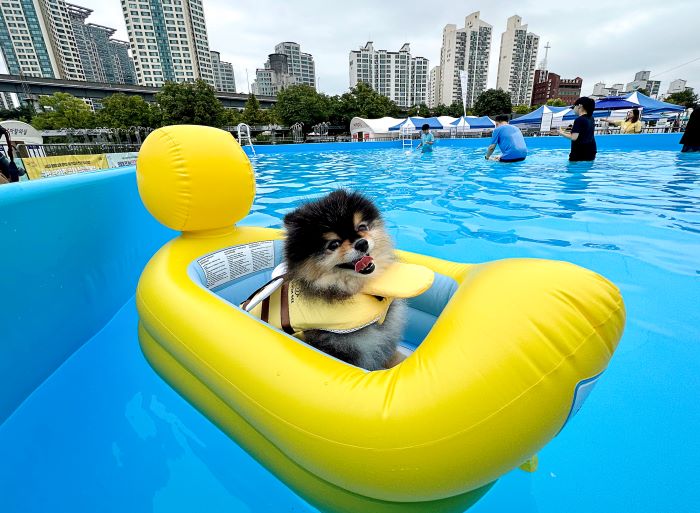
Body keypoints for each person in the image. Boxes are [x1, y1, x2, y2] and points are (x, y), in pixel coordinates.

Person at [559, 97, 597, 162]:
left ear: (580, 106)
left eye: (574, 106)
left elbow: (574, 137)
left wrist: (560, 132)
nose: (573, 109)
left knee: (573, 171)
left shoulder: (579, 120)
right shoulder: (591, 118)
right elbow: (582, 134)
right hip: (591, 151)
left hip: (579, 153)